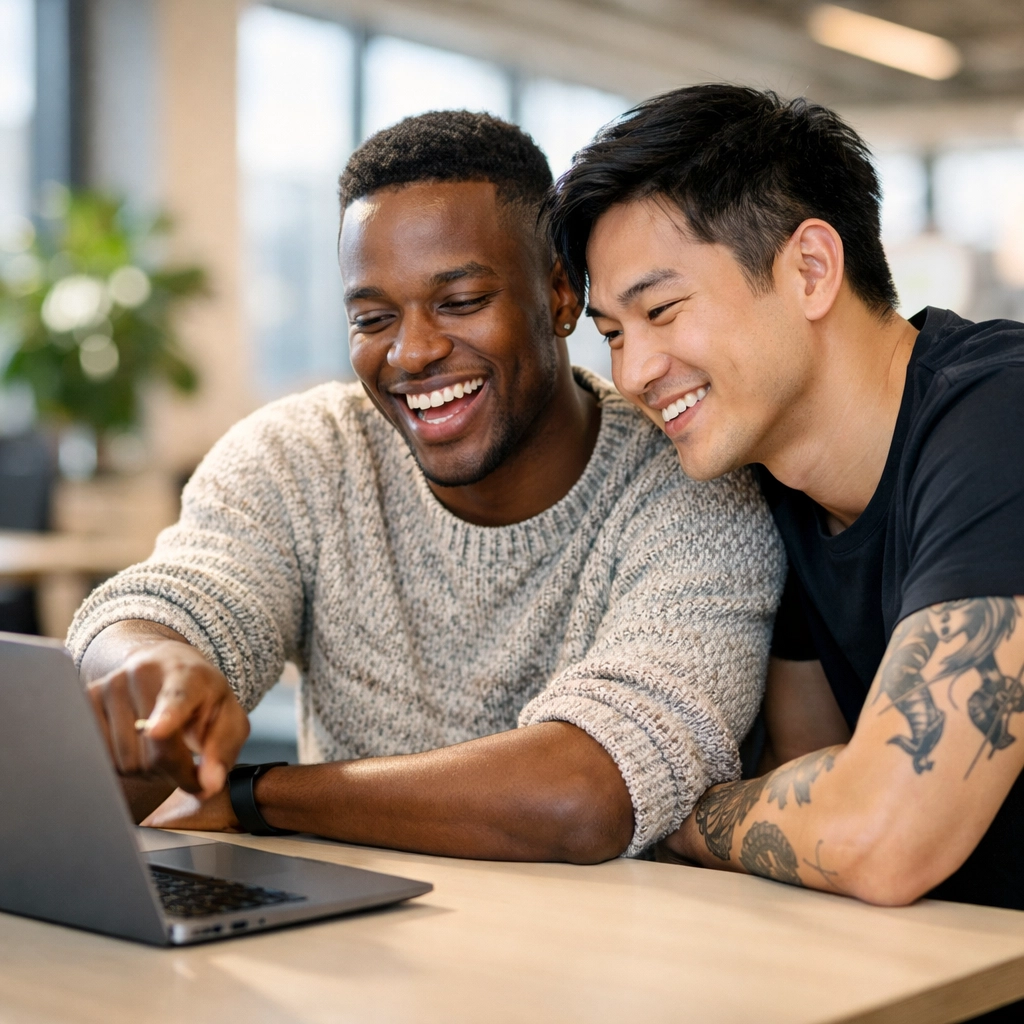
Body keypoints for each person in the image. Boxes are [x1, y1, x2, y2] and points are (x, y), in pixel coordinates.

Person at [68, 111, 784, 863]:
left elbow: (585, 793)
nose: (412, 353)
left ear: (561, 296)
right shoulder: (299, 454)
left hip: (598, 959)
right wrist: (153, 660)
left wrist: (257, 797)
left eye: (462, 302)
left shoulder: (692, 486)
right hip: (349, 948)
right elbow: (173, 602)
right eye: (373, 317)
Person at [547, 85, 1024, 913]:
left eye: (662, 310)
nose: (632, 375)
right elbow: (809, 784)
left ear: (810, 269)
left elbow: (876, 835)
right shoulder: (780, 485)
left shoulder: (1000, 415)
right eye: (616, 334)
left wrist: (673, 814)